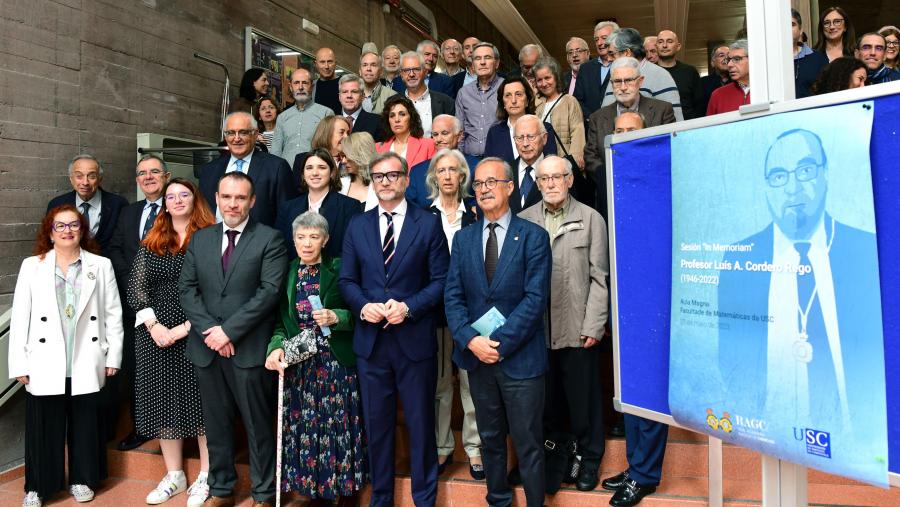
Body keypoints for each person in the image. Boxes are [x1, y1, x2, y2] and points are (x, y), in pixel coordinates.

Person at [717, 128, 882, 439]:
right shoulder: (739, 257)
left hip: (857, 435)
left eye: (805, 171)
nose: (792, 188)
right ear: (767, 189)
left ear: (826, 175)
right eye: (779, 176)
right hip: (768, 430)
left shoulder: (863, 248)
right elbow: (731, 356)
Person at [339, 152, 450, 507]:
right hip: (371, 344)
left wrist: (409, 307)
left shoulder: (428, 223)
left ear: (405, 180)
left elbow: (441, 281)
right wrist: (362, 305)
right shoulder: (358, 224)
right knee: (377, 427)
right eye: (378, 176)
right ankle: (381, 499)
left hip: (413, 341)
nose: (385, 181)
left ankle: (424, 499)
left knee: (420, 426)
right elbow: (347, 280)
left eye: (392, 175)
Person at [443, 157, 552, 507]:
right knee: (489, 438)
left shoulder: (534, 236)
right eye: (478, 184)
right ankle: (498, 500)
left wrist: (498, 344)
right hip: (478, 360)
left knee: (528, 443)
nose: (485, 188)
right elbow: (453, 296)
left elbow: (536, 300)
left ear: (510, 187)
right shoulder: (463, 239)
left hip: (520, 360)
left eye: (492, 182)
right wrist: (472, 341)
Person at [179, 171, 288, 507]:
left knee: (257, 426)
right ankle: (222, 489)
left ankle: (264, 494)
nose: (233, 204)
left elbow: (268, 292)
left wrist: (230, 331)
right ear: (217, 198)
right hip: (207, 348)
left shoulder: (270, 239)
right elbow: (188, 289)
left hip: (248, 348)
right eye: (227, 197)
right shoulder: (201, 239)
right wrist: (212, 331)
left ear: (252, 201)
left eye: (241, 198)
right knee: (216, 424)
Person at [9, 204, 123, 507]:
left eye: (74, 225)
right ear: (50, 231)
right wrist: (18, 362)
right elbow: (21, 317)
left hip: (86, 355)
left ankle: (83, 479)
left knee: (86, 424)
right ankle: (38, 487)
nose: (67, 231)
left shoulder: (100, 265)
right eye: (60, 226)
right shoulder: (32, 266)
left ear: (82, 230)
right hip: (44, 358)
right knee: (43, 425)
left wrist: (113, 357)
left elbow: (113, 314)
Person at [265, 211, 368, 507]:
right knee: (308, 428)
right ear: (293, 240)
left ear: (325, 240)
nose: (307, 243)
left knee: (340, 426)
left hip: (335, 361)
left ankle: (346, 492)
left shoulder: (340, 268)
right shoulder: (286, 271)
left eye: (313, 237)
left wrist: (338, 316)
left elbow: (360, 310)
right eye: (301, 237)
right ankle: (315, 493)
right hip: (301, 363)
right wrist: (276, 347)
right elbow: (280, 323)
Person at [519, 155, 609, 492]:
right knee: (545, 406)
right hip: (537, 333)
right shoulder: (524, 221)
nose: (551, 184)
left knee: (583, 405)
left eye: (557, 177)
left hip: (577, 329)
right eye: (544, 179)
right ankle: (551, 463)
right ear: (537, 183)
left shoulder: (591, 219)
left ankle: (589, 459)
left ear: (570, 180)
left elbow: (601, 278)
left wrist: (594, 325)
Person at [128, 178, 215, 507]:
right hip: (154, 335)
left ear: (195, 199)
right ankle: (175, 475)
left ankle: (207, 475)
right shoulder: (154, 239)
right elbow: (136, 286)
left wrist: (182, 329)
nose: (177, 200)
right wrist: (154, 325)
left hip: (198, 329)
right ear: (163, 203)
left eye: (184, 195)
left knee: (203, 405)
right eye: (171, 196)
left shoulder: (209, 238)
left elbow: (216, 290)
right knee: (164, 403)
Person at [599, 112, 669, 507]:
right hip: (621, 292)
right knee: (629, 386)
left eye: (632, 131)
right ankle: (636, 465)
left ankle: (646, 475)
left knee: (649, 389)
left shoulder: (660, 175)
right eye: (619, 131)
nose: (624, 137)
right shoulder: (608, 174)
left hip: (651, 295)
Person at [422, 149, 482, 479]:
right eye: (441, 170)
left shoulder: (475, 214)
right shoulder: (422, 216)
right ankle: (441, 447)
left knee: (472, 385)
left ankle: (475, 450)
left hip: (471, 314)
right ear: (433, 177)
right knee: (440, 384)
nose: (447, 176)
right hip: (434, 314)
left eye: (453, 170)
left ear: (462, 176)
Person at [107, 154, 171, 453]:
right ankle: (141, 427)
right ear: (137, 179)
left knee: (170, 368)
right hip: (134, 303)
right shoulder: (128, 212)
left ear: (166, 176)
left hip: (171, 301)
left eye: (154, 172)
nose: (148, 177)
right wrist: (135, 281)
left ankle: (172, 426)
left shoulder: (177, 209)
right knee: (136, 370)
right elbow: (117, 249)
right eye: (142, 173)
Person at [584, 57, 676, 219]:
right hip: (613, 195)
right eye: (617, 82)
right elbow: (591, 157)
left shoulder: (662, 110)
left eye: (628, 80)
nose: (623, 87)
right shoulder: (598, 118)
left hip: (652, 193)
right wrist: (615, 176)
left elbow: (668, 150)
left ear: (640, 81)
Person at [200, 111, 296, 227]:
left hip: (260, 243)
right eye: (231, 133)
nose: (236, 138)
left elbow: (287, 215)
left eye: (243, 132)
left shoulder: (277, 167)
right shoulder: (209, 170)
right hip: (215, 241)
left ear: (255, 135)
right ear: (225, 136)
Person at [276, 148, 362, 259]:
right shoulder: (287, 208)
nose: (315, 173)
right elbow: (280, 249)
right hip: (293, 274)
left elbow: (351, 251)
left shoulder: (350, 206)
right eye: (309, 168)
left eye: (322, 168)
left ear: (331, 172)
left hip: (335, 274)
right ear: (303, 174)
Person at [47, 154, 128, 255]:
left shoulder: (119, 204)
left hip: (107, 267)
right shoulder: (56, 204)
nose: (85, 182)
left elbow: (124, 244)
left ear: (100, 179)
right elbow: (49, 242)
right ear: (71, 179)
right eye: (79, 176)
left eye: (92, 176)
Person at [601, 28, 684, 121]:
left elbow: (674, 120)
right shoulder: (615, 75)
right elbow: (605, 117)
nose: (608, 59)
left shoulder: (661, 75)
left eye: (612, 54)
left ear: (627, 52)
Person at [407, 115, 481, 209]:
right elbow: (410, 208)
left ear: (459, 135)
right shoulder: (417, 171)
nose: (439, 139)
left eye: (445, 133)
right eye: (435, 134)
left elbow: (481, 200)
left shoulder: (476, 166)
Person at [483, 76, 558, 165]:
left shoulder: (545, 127)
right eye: (508, 95)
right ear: (503, 102)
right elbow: (488, 166)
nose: (513, 100)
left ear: (527, 100)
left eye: (518, 94)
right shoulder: (494, 132)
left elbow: (552, 164)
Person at [271, 65, 335, 168]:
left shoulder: (326, 114)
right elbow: (276, 151)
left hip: (314, 172)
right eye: (296, 83)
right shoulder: (282, 117)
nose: (300, 87)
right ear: (291, 87)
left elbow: (331, 150)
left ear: (312, 86)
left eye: (305, 83)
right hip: (286, 173)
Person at [534, 57, 586, 168]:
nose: (544, 83)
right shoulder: (536, 105)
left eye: (547, 78)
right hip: (542, 166)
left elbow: (577, 133)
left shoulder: (569, 101)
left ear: (556, 77)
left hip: (564, 165)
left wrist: (573, 164)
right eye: (539, 80)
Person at [456, 42, 504, 157]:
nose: (482, 62)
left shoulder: (506, 88)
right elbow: (460, 130)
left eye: (487, 57)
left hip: (500, 158)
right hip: (470, 159)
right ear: (473, 65)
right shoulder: (464, 93)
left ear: (496, 63)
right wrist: (462, 156)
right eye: (477, 58)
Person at [398, 51, 456, 137]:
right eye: (406, 70)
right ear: (401, 74)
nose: (411, 74)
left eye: (416, 69)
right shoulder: (393, 103)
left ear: (425, 72)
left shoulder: (446, 102)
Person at [573, 21, 620, 118]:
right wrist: (592, 118)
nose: (599, 43)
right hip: (591, 124)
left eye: (604, 38)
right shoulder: (585, 68)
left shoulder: (622, 65)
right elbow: (577, 100)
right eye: (596, 39)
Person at [291, 116, 352, 189]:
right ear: (327, 134)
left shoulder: (352, 161)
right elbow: (298, 191)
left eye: (348, 133)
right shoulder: (302, 159)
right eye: (341, 132)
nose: (346, 137)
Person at [376, 94, 436, 167]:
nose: (397, 119)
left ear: (411, 118)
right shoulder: (377, 148)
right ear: (388, 120)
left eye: (402, 114)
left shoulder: (428, 145)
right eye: (392, 115)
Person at [509, 115, 551, 213]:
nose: (525, 143)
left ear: (544, 138)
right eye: (519, 138)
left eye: (531, 137)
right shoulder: (505, 171)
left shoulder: (557, 171)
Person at [656, 30, 703, 119]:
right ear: (656, 46)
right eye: (660, 42)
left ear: (678, 47)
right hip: (658, 128)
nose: (664, 45)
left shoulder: (690, 71)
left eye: (669, 41)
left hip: (688, 127)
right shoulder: (649, 73)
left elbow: (699, 104)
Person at [792, 10, 830, 99]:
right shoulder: (769, 60)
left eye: (792, 24)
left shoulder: (818, 59)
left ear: (800, 30)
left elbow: (827, 92)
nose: (786, 28)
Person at [707, 40, 751, 115]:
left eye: (737, 59)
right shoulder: (718, 95)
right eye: (729, 60)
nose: (729, 65)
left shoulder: (768, 90)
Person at [339, 73, 384, 142]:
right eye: (345, 92)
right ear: (339, 97)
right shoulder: (331, 123)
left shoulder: (378, 122)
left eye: (354, 92)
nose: (349, 96)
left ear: (363, 96)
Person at [340, 132, 380, 210]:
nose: (343, 161)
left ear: (361, 155)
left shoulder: (382, 184)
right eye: (342, 156)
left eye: (347, 155)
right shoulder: (340, 184)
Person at [360, 50, 398, 115]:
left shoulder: (392, 97)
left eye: (373, 65)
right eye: (365, 65)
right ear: (360, 71)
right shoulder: (351, 94)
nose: (368, 69)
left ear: (381, 71)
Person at [699, 44, 731, 116]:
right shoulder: (702, 83)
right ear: (713, 62)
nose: (726, 58)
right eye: (721, 55)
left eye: (729, 56)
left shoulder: (738, 81)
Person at [313, 47, 342, 114]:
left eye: (330, 61)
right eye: (322, 62)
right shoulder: (311, 88)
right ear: (316, 64)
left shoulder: (345, 85)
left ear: (335, 63)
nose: (326, 66)